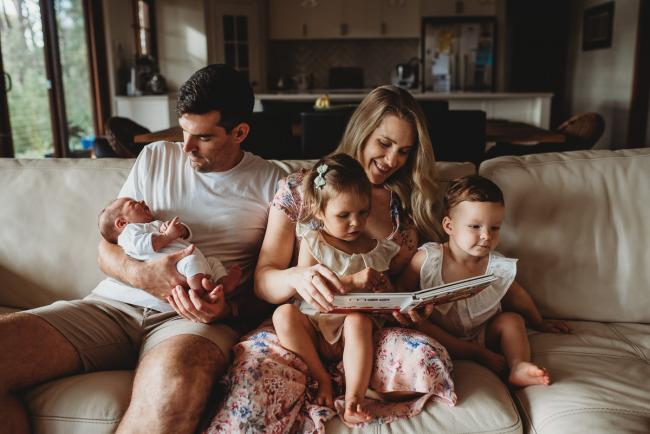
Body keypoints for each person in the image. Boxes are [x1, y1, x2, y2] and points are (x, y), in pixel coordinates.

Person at [0, 64, 283, 434]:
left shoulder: (273, 183)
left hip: (191, 322)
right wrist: (141, 275)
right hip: (112, 305)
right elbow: (106, 250)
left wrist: (228, 307)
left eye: (203, 137)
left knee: (174, 389)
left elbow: (271, 284)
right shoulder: (154, 158)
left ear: (240, 132)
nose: (186, 147)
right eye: (183, 132)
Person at [206, 85, 456, 432]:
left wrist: (408, 305)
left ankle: (353, 392)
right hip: (304, 327)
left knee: (429, 359)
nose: (392, 160)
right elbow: (263, 281)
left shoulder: (404, 211)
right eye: (384, 144)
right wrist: (296, 277)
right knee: (254, 388)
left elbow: (392, 290)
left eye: (404, 151)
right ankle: (320, 381)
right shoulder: (299, 189)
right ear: (361, 130)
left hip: (364, 333)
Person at [397, 175, 571, 387]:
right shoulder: (428, 259)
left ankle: (518, 365)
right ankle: (476, 354)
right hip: (440, 335)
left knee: (512, 320)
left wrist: (539, 322)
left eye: (495, 228)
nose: (486, 236)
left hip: (482, 333)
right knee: (421, 325)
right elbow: (403, 291)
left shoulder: (497, 266)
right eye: (475, 227)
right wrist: (409, 310)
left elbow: (517, 295)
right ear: (449, 226)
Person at [273, 154, 400, 424]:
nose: (355, 223)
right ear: (320, 212)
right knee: (283, 315)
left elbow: (385, 293)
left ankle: (354, 398)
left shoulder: (377, 248)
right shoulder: (313, 241)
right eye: (344, 215)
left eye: (363, 212)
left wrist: (386, 288)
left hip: (351, 335)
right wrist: (353, 282)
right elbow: (310, 289)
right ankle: (322, 379)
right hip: (314, 326)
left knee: (358, 320)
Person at [98, 197, 241, 296]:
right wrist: (167, 236)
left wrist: (180, 230)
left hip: (193, 258)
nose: (141, 201)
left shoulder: (152, 224)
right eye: (133, 203)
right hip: (178, 265)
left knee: (213, 261)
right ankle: (199, 293)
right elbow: (144, 246)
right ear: (122, 223)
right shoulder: (129, 233)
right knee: (191, 264)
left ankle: (223, 283)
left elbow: (181, 234)